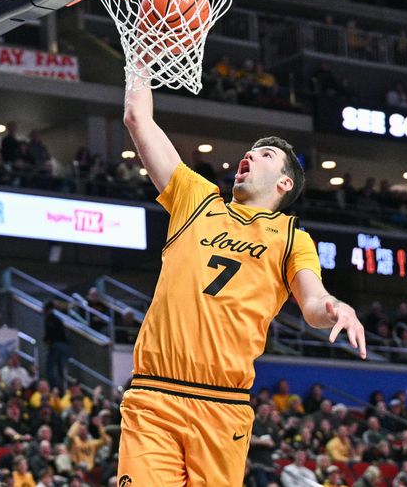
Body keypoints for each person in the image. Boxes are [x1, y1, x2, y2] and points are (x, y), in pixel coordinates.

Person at [116, 62, 366, 485]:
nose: (249, 155)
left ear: (285, 184)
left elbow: (312, 303)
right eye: (249, 150)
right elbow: (137, 117)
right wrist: (141, 53)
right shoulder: (196, 199)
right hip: (153, 395)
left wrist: (337, 309)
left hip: (223, 404)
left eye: (265, 154)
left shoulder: (291, 237)